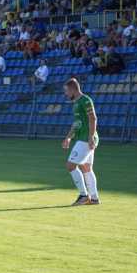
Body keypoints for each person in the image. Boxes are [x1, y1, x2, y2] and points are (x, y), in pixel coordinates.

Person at [62, 78, 100, 206]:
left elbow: (93, 118)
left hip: (85, 138)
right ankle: (94, 198)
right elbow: (77, 123)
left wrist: (90, 137)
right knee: (86, 168)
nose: (66, 94)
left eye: (66, 91)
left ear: (73, 89)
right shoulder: (76, 103)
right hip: (82, 137)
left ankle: (83, 195)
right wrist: (68, 137)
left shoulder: (85, 100)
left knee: (70, 165)